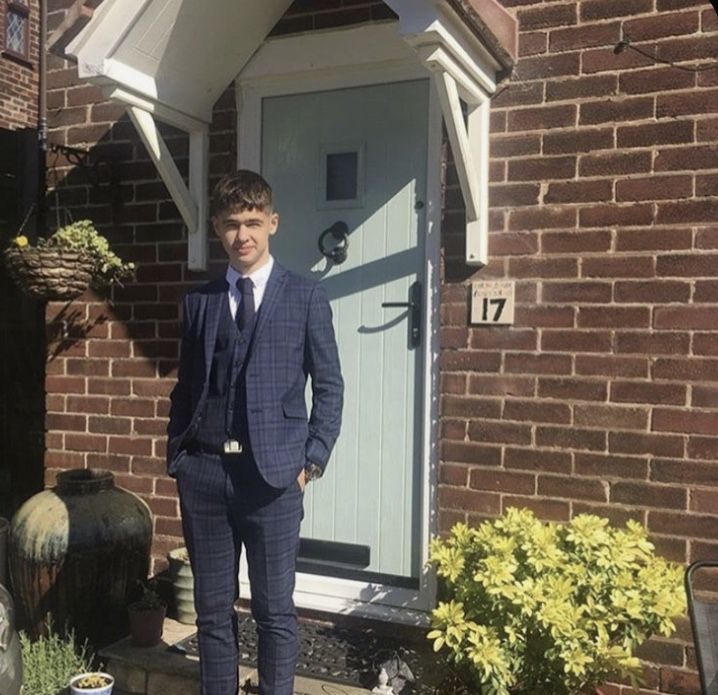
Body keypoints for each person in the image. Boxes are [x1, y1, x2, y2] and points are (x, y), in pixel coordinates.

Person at [166, 170, 343, 695]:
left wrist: (311, 461)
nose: (241, 235)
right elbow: (186, 386)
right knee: (212, 612)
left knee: (273, 611)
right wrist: (178, 455)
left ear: (272, 223)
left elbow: (329, 387)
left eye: (252, 222)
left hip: (273, 478)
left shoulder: (306, 296)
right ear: (217, 230)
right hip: (203, 475)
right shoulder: (199, 302)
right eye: (230, 225)